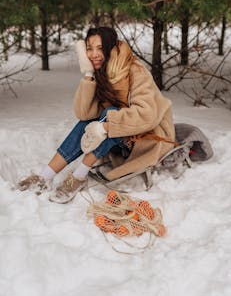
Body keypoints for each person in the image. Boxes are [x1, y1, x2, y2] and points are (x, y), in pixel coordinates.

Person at [18, 26, 175, 203]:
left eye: (100, 48)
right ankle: (45, 176)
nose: (94, 54)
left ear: (111, 47)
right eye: (89, 49)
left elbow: (147, 115)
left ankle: (78, 177)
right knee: (101, 117)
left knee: (111, 114)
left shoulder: (134, 69)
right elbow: (84, 114)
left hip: (150, 137)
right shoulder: (101, 72)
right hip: (122, 136)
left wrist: (105, 126)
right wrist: (88, 75)